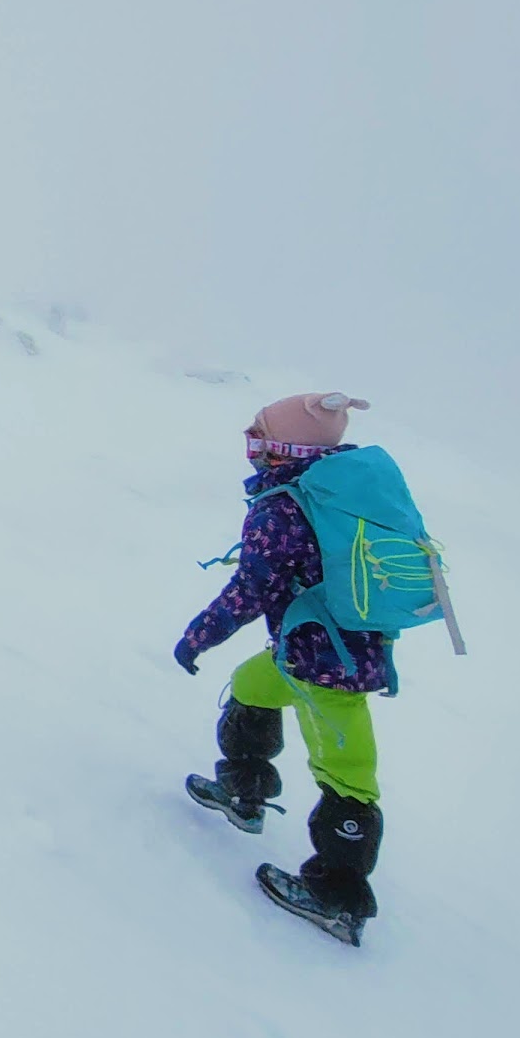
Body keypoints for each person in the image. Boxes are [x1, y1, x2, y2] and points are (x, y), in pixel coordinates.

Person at [176, 391, 389, 944]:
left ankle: (337, 896)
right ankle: (244, 791)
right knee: (251, 687)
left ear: (283, 447)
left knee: (346, 773)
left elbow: (250, 590)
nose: (250, 442)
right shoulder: (338, 490)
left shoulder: (285, 509)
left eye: (258, 433)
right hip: (309, 648)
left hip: (328, 664)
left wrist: (197, 637)